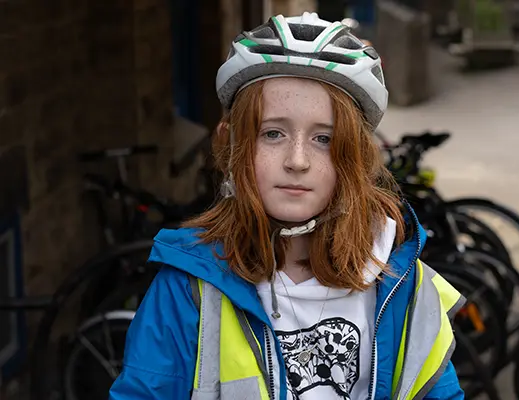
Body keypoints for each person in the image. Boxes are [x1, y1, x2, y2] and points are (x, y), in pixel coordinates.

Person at [109, 12, 465, 400]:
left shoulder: (403, 283)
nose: (297, 161)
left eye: (324, 139)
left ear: (356, 158)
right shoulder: (189, 288)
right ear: (234, 145)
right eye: (273, 133)